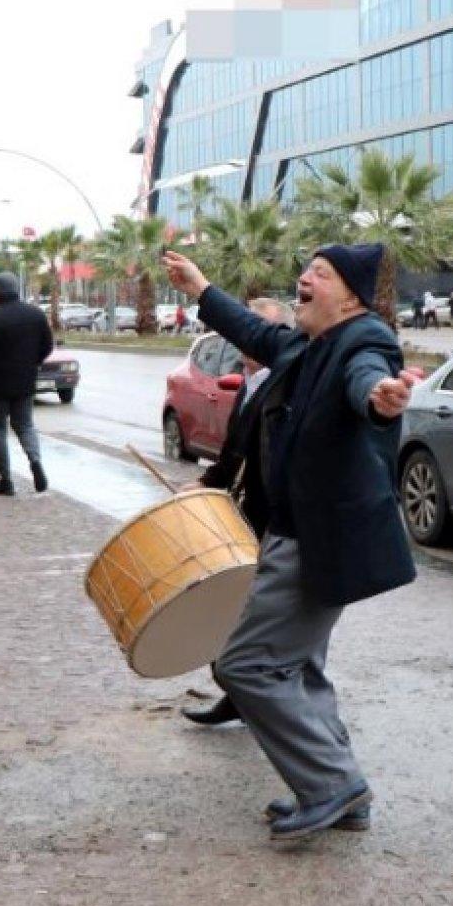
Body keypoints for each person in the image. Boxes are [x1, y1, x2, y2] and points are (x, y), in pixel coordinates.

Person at [163, 243, 422, 841]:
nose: (302, 279)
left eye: (319, 274)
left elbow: (369, 383)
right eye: (305, 270)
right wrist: (200, 286)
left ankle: (332, 784)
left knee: (244, 664)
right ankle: (341, 789)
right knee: (300, 667)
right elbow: (251, 327)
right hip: (294, 533)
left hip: (316, 541)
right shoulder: (308, 344)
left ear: (351, 295)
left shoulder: (364, 343)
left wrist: (381, 400)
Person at [181, 297, 295, 730]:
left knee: (262, 621)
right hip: (244, 513)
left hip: (274, 520)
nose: (245, 336)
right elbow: (235, 450)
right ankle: (239, 695)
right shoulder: (248, 381)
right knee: (231, 608)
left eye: (255, 327)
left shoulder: (283, 380)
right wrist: (207, 483)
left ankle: (270, 704)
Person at [0, 272, 53, 496]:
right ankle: (35, 460)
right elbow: (48, 346)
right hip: (24, 383)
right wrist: (31, 363)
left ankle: (6, 480)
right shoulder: (36, 315)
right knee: (25, 425)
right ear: (17, 289)